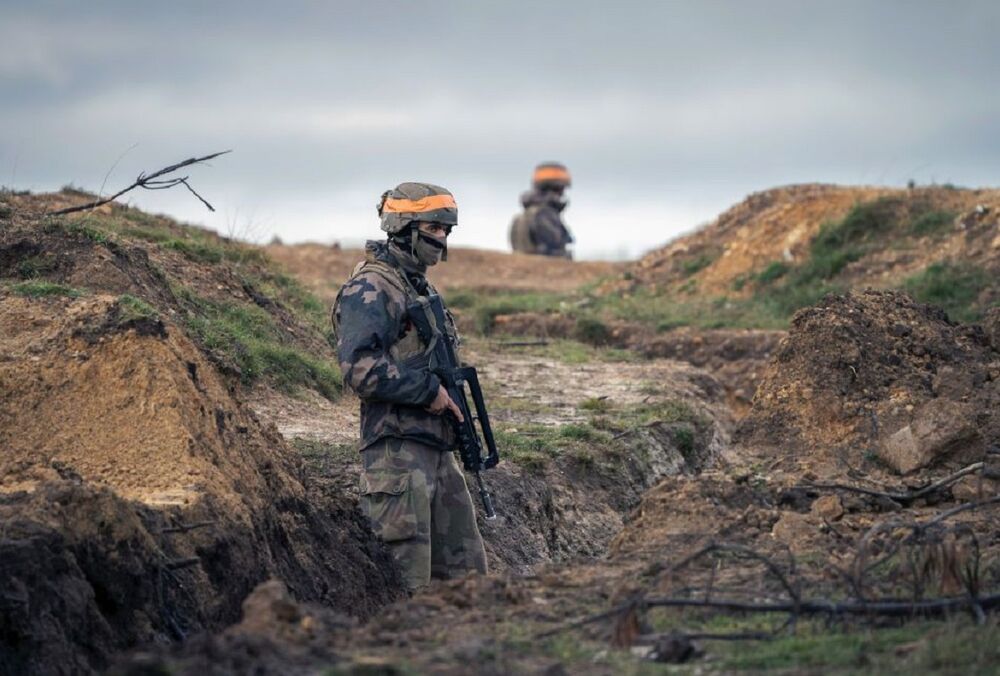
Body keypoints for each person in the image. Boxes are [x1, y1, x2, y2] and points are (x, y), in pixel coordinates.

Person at [332, 182, 488, 592]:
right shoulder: (371, 287)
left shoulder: (416, 286)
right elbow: (360, 369)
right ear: (403, 226)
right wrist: (428, 392)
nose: (442, 239)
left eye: (446, 230)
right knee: (408, 588)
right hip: (396, 455)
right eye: (434, 228)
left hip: (435, 451)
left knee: (467, 585)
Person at [509, 162, 574, 258]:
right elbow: (554, 248)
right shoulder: (544, 215)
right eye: (562, 189)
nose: (562, 194)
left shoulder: (521, 217)